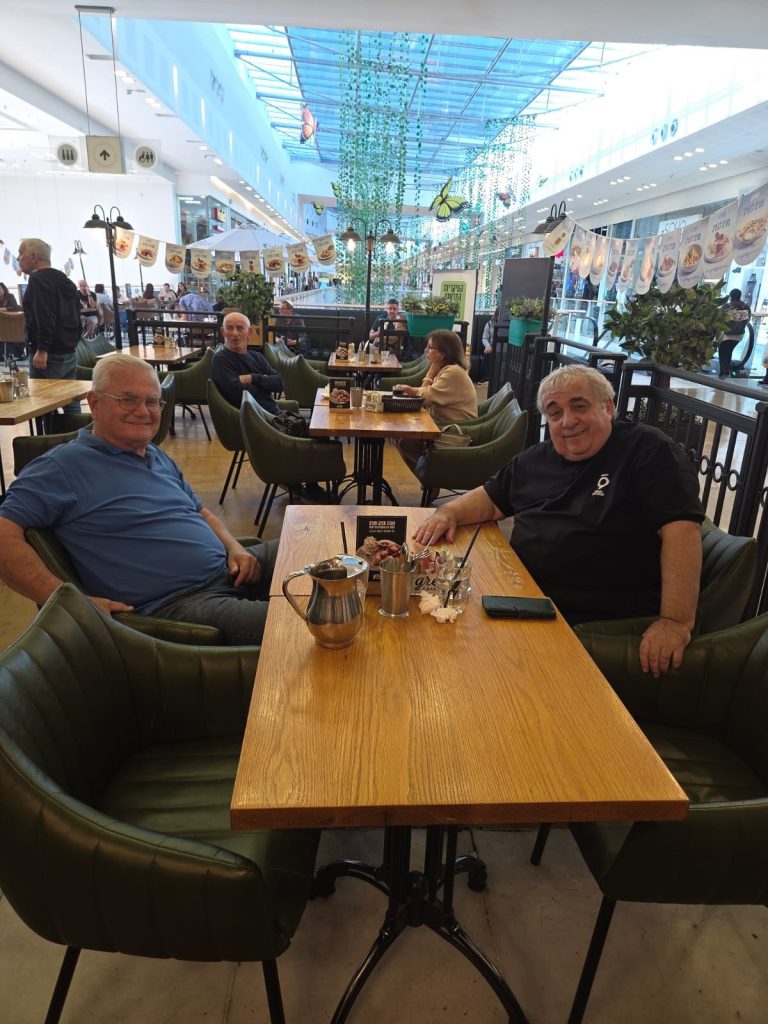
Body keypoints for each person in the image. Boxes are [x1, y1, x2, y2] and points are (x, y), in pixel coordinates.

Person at [413, 365, 704, 678]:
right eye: (555, 413)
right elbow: (492, 498)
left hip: (592, 622)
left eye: (580, 407)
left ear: (608, 407)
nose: (567, 421)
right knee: (427, 632)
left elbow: (682, 530)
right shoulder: (536, 458)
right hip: (523, 596)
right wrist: (449, 513)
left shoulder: (648, 450)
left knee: (456, 661)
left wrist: (675, 621)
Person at [0, 353, 276, 646]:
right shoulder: (62, 467)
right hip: (183, 604)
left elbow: (201, 512)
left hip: (230, 570)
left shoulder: (155, 454)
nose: (144, 411)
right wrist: (67, 600)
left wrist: (234, 548)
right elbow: (4, 534)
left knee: (306, 546)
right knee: (305, 621)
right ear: (94, 403)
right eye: (128, 400)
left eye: (153, 401)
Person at [396, 329, 478, 470]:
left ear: (444, 353)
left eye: (430, 347)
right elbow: (427, 394)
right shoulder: (449, 369)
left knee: (406, 440)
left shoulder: (453, 372)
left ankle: (426, 476)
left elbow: (425, 398)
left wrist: (428, 376)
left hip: (453, 430)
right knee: (401, 432)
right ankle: (424, 471)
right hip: (442, 423)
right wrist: (414, 388)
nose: (425, 350)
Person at [17, 238, 82, 411]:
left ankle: (51, 431)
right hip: (68, 351)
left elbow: (45, 316)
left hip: (48, 355)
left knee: (44, 408)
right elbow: (76, 312)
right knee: (71, 403)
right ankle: (77, 429)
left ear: (34, 256)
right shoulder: (64, 279)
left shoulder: (38, 279)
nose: (18, 258)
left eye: (21, 253)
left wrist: (42, 349)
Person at [211, 311, 282, 414]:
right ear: (223, 332)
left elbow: (279, 383)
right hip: (249, 419)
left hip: (274, 415)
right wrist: (266, 384)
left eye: (240, 328)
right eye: (230, 328)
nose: (235, 333)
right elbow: (238, 394)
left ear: (250, 332)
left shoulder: (257, 357)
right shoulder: (220, 360)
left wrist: (251, 378)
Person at [718, 287, 751, 379]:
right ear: (740, 296)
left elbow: (719, 318)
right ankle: (726, 372)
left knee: (723, 352)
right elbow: (748, 319)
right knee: (728, 351)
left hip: (727, 334)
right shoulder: (746, 307)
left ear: (730, 296)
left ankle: (723, 373)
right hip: (739, 335)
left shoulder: (727, 306)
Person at [480, 307, 500, 382]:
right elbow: (484, 338)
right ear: (496, 315)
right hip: (492, 347)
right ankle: (486, 377)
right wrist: (487, 346)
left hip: (504, 348)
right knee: (487, 352)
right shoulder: (489, 324)